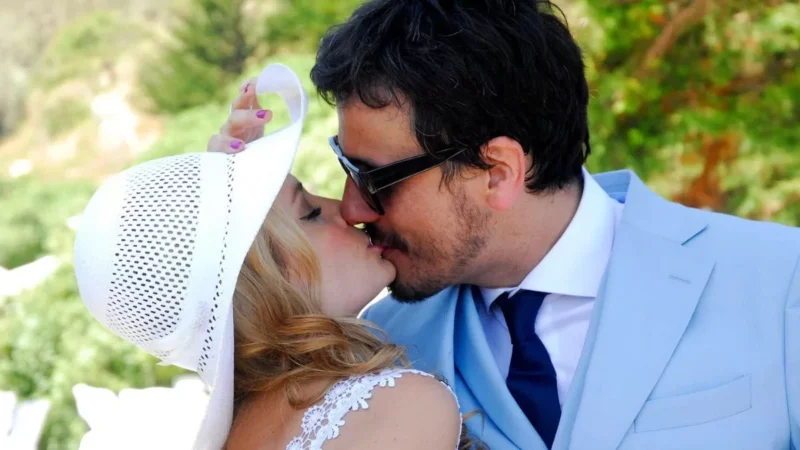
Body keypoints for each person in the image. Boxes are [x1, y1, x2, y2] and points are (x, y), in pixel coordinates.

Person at [221, 1, 799, 449]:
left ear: (498, 172)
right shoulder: (376, 344)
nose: (353, 208)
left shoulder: (780, 281)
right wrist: (220, 227)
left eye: (375, 178)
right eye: (347, 168)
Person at [73, 64, 470, 450]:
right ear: (270, 278)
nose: (348, 211)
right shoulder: (398, 409)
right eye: (310, 213)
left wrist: (226, 198)